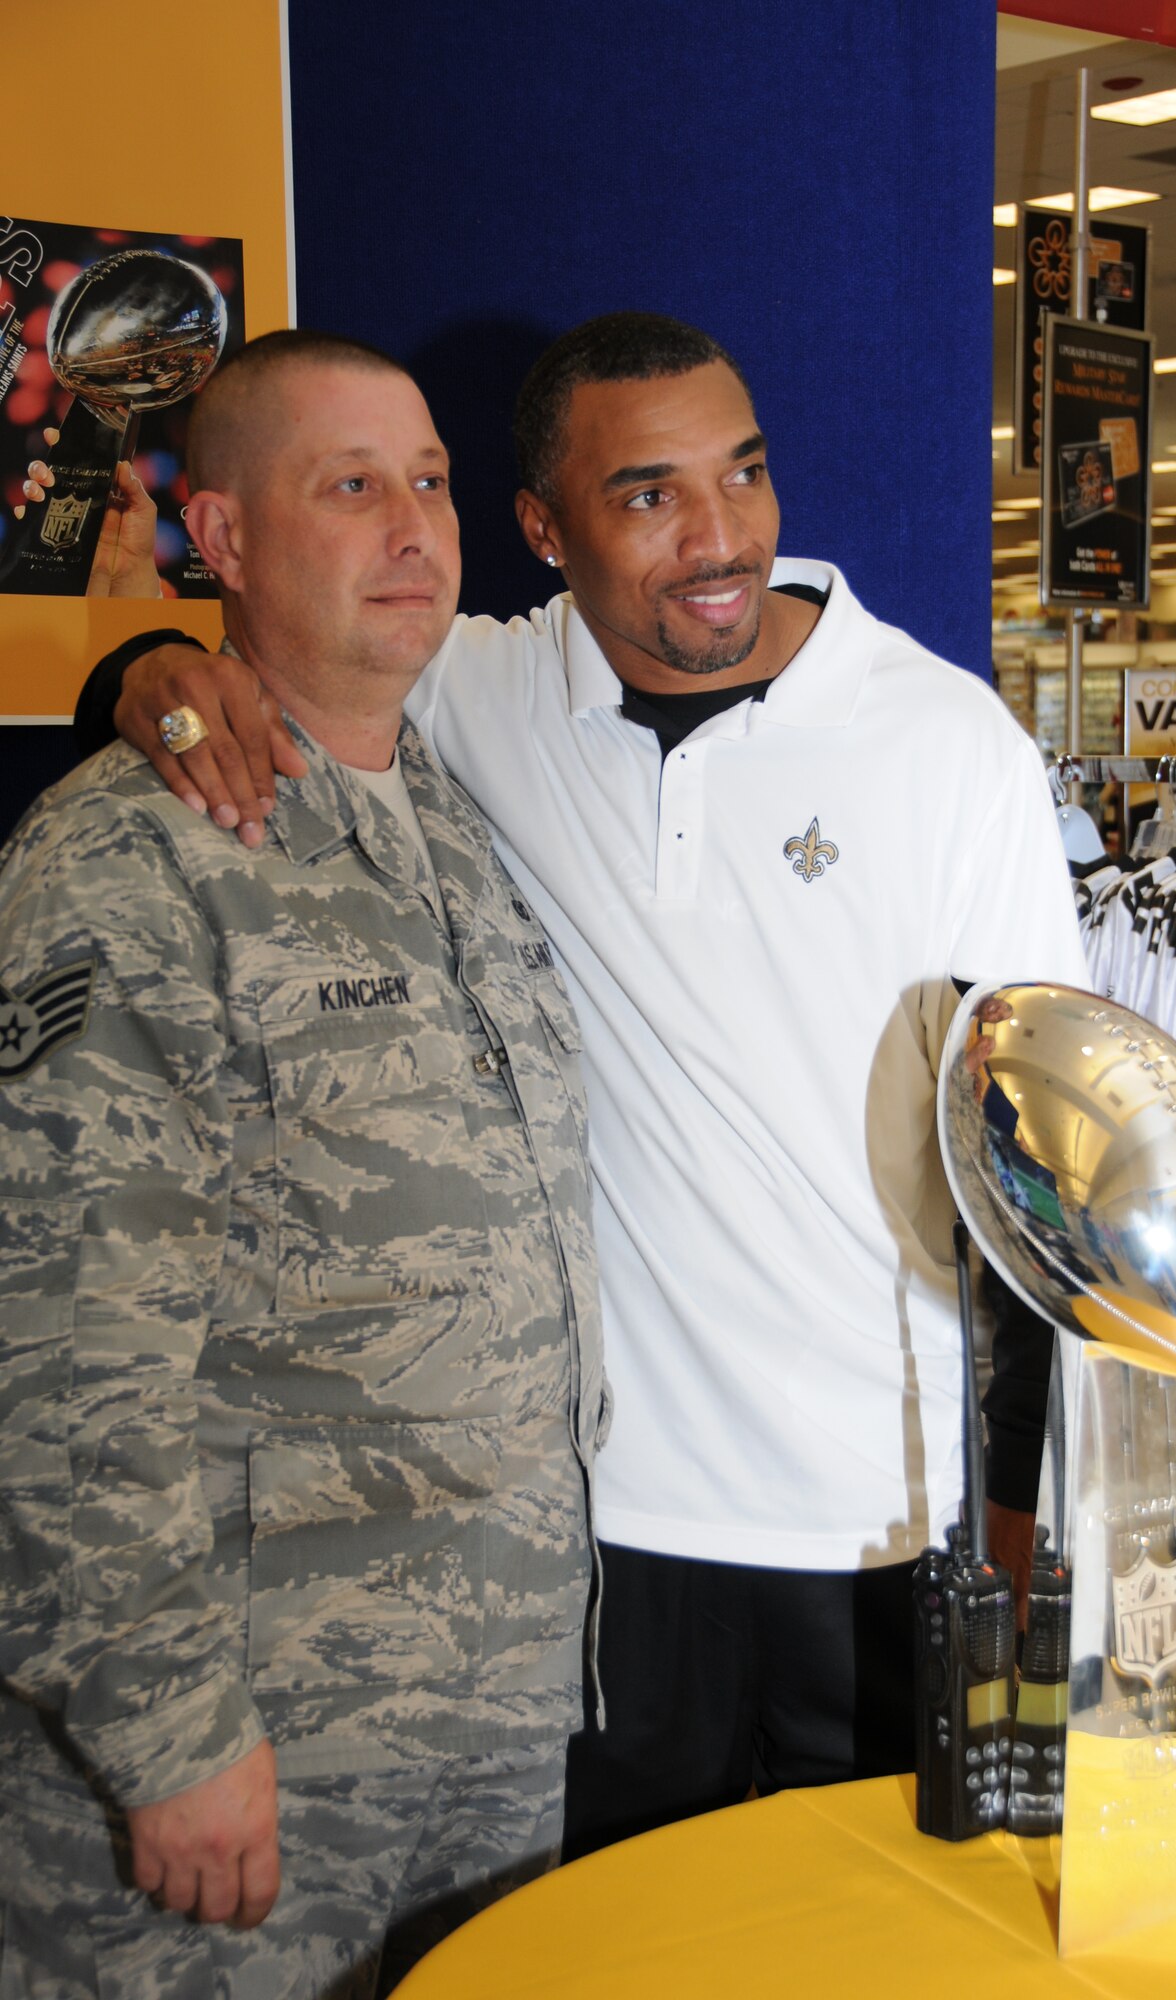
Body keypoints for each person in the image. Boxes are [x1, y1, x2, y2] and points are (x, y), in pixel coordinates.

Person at [65, 311, 1087, 1860]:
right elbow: (270, 660)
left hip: (895, 1532)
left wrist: (1024, 1523)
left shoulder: (950, 747)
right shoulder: (485, 693)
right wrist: (149, 673)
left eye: (742, 474)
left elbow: (1045, 1175)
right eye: (648, 496)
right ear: (543, 531)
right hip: (608, 1559)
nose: (718, 537)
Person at [0, 330, 605, 1998]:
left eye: (428, 482)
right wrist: (165, 1731)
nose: (413, 526)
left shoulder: (460, 829)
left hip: (486, 1720)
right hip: (251, 1750)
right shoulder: (127, 867)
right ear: (229, 541)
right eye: (350, 486)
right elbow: (63, 1351)